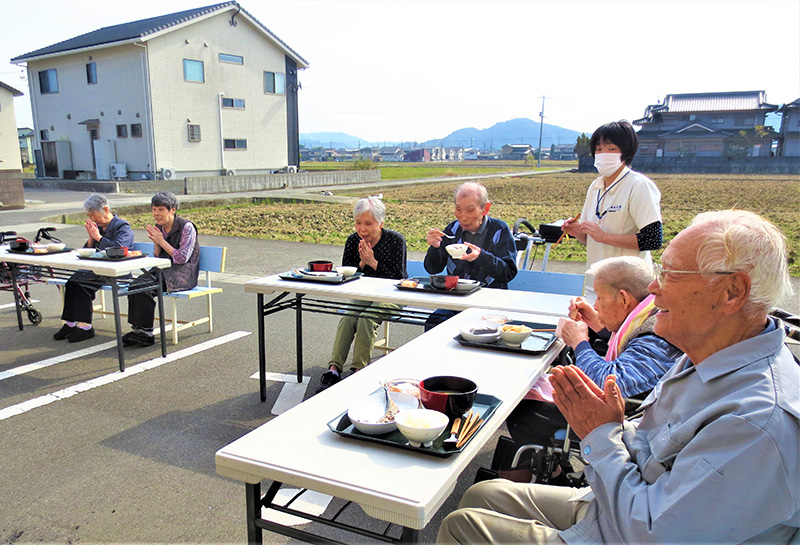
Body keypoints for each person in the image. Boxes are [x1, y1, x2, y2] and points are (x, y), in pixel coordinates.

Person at [437, 210, 799, 544]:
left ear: (732, 292)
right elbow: (652, 445)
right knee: (481, 494)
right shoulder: (708, 355)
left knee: (460, 526)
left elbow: (653, 533)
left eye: (670, 274)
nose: (654, 289)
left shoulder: (756, 423)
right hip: (620, 501)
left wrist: (601, 434)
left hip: (630, 529)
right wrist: (614, 426)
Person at [504, 256, 681, 457]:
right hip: (630, 411)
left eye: (600, 298)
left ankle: (553, 474)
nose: (595, 305)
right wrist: (599, 324)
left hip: (624, 423)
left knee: (524, 411)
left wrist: (580, 342)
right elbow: (630, 343)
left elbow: (609, 384)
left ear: (624, 299)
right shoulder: (650, 313)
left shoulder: (656, 337)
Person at [561, 120, 662, 302]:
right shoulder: (596, 186)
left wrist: (604, 236)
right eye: (598, 149)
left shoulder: (639, 185)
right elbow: (589, 239)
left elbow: (653, 239)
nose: (602, 154)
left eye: (611, 148)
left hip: (629, 289)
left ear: (626, 152)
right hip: (597, 284)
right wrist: (577, 232)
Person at [319, 196, 407, 388]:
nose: (362, 229)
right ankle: (333, 369)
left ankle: (359, 370)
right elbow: (346, 275)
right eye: (358, 223)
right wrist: (361, 262)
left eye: (368, 223)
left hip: (393, 295)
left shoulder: (395, 241)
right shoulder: (353, 241)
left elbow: (399, 278)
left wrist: (373, 262)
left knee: (366, 318)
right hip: (364, 294)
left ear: (381, 222)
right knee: (350, 316)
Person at [423, 182, 517, 329]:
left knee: (479, 330)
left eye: (470, 210)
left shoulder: (499, 230)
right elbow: (432, 268)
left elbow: (508, 272)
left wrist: (481, 257)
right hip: (456, 301)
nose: (463, 217)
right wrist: (434, 247)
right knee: (435, 321)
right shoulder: (452, 230)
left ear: (485, 208)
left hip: (490, 303)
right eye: (458, 209)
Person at [53, 194, 134, 343]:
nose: (92, 218)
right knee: (72, 281)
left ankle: (85, 327)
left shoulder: (122, 226)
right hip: (97, 268)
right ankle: (70, 322)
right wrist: (91, 238)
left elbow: (119, 249)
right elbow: (88, 251)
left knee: (82, 284)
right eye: (89, 215)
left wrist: (98, 238)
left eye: (93, 214)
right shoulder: (98, 227)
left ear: (105, 209)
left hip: (116, 269)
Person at [123, 192, 199, 347]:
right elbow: (157, 255)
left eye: (160, 210)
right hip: (163, 269)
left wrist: (161, 241)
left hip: (182, 273)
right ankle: (138, 330)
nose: (156, 214)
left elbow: (182, 258)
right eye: (153, 209)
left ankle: (147, 333)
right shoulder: (160, 227)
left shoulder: (187, 227)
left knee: (146, 287)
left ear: (172, 210)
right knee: (135, 285)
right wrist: (157, 243)